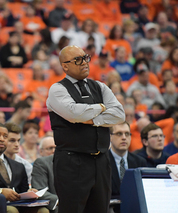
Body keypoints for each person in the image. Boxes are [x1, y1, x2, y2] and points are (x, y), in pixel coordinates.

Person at [46, 45, 125, 212]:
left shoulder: (100, 86)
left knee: (101, 209)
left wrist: (92, 120)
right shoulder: (57, 89)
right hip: (72, 162)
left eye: (85, 58)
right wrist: (103, 107)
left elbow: (119, 114)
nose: (84, 63)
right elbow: (74, 113)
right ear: (65, 66)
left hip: (102, 160)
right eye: (78, 60)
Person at [108, 122, 146, 210]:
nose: (124, 137)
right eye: (119, 134)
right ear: (110, 137)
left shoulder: (140, 162)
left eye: (127, 134)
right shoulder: (102, 162)